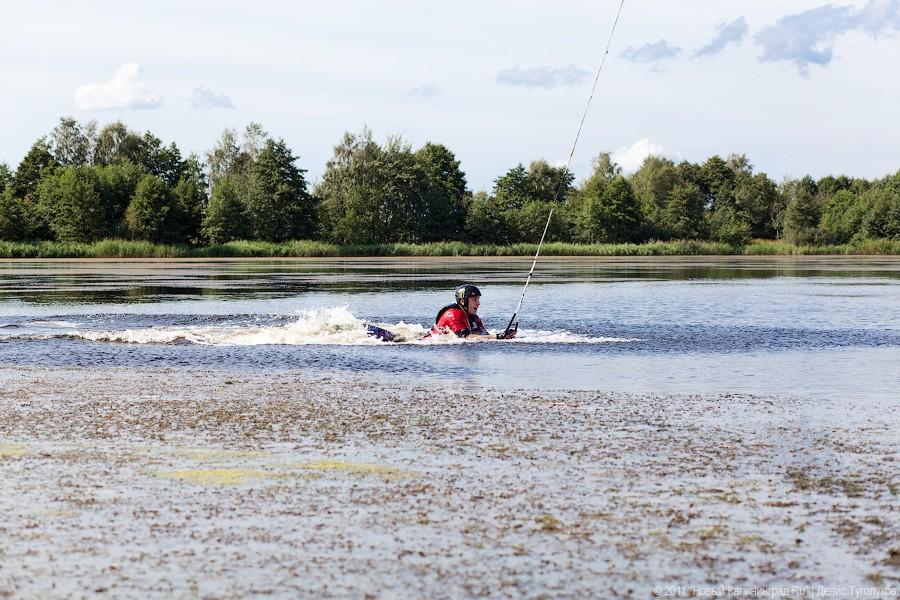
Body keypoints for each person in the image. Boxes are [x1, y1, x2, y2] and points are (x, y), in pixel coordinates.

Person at [430, 284, 517, 339]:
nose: (478, 303)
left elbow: (484, 335)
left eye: (478, 299)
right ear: (463, 301)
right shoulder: (453, 314)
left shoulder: (474, 317)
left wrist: (505, 335)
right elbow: (466, 337)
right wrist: (498, 337)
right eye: (474, 299)